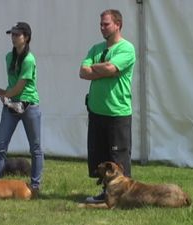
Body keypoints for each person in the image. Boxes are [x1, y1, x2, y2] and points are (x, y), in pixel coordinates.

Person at [79, 9, 136, 203]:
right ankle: (106, 193)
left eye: (106, 24)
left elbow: (112, 69)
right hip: (96, 111)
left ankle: (124, 196)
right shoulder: (96, 48)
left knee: (118, 158)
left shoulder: (127, 48)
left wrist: (96, 67)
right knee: (101, 158)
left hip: (117, 112)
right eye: (101, 24)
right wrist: (102, 68)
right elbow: (82, 72)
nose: (102, 27)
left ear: (118, 24)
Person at [0, 22, 43, 198]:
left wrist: (5, 93)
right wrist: (7, 96)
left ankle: (35, 184)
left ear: (26, 38)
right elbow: (13, 85)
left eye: (17, 35)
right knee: (0, 145)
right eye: (12, 34)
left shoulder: (29, 59)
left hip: (29, 105)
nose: (13, 37)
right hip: (12, 105)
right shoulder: (8, 57)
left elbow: (19, 87)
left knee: (35, 148)